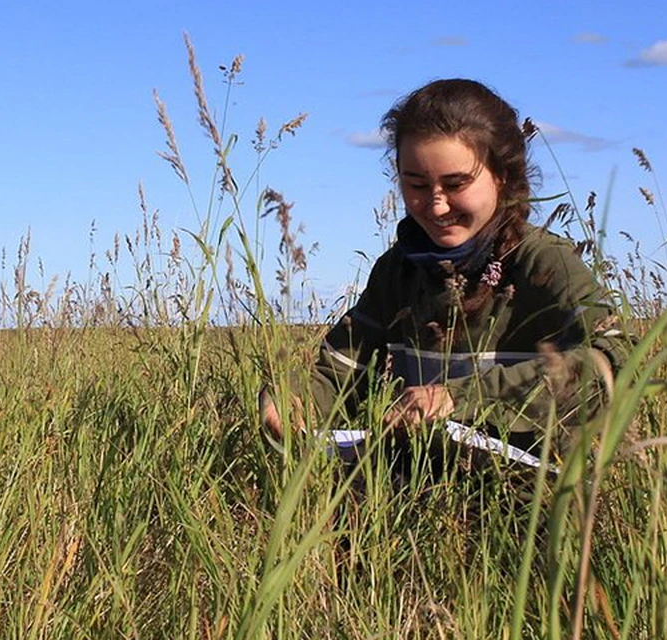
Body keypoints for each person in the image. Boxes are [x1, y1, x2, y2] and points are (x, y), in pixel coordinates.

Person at [261, 78, 627, 466]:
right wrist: (288, 399)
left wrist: (460, 397)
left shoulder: (544, 263)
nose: (436, 206)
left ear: (502, 176)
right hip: (410, 495)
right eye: (416, 184)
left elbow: (615, 361)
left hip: (531, 501)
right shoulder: (397, 270)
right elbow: (339, 376)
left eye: (456, 184)